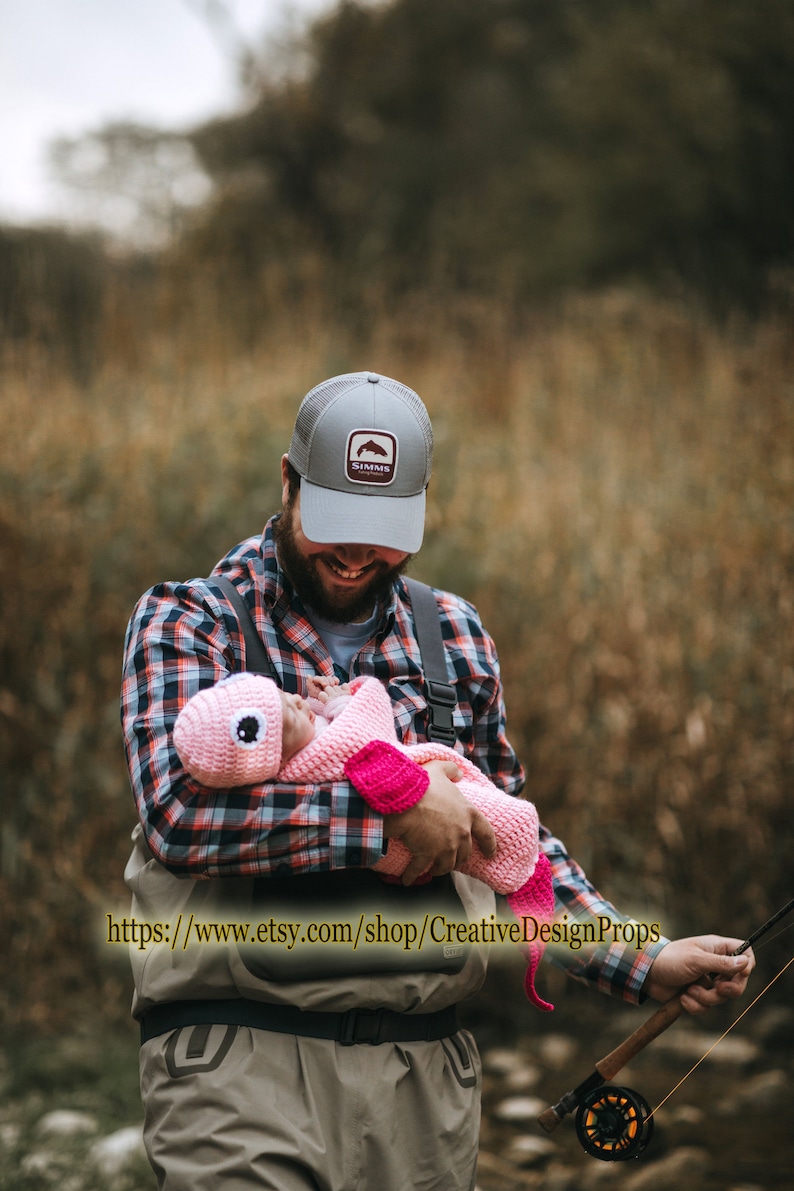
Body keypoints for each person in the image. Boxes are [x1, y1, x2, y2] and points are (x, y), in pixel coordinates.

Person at [121, 370, 755, 1191]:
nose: (354, 555)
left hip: (426, 1083)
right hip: (240, 1058)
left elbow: (507, 839)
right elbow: (179, 814)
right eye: (335, 522)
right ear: (287, 482)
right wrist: (399, 811)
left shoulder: (452, 633)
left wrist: (641, 958)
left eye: (382, 531)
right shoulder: (189, 622)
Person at [171, 669, 556, 1007]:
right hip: (255, 1030)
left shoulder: (456, 630)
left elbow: (514, 792)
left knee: (505, 832)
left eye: (285, 696)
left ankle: (522, 868)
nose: (296, 700)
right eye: (290, 713)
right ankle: (520, 865)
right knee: (504, 826)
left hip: (429, 1035)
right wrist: (345, 702)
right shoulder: (316, 755)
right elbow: (366, 737)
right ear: (268, 755)